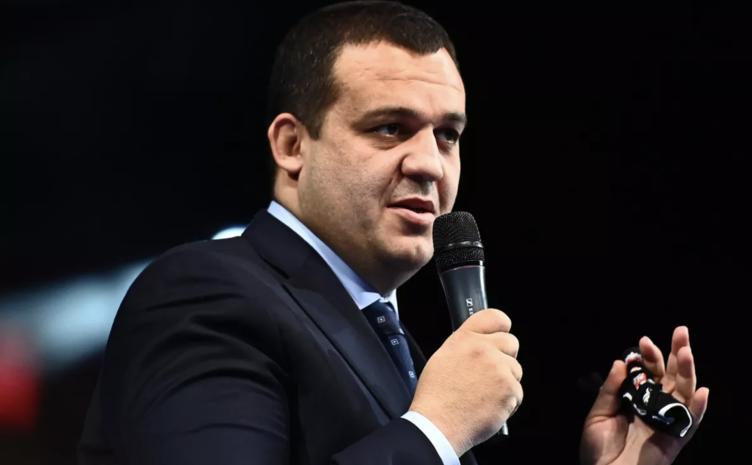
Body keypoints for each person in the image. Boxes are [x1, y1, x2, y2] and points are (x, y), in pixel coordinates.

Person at [78, 2, 709, 464]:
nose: (430, 163)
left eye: (448, 135)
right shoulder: (204, 292)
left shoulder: (407, 351)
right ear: (293, 145)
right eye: (389, 128)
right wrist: (434, 432)